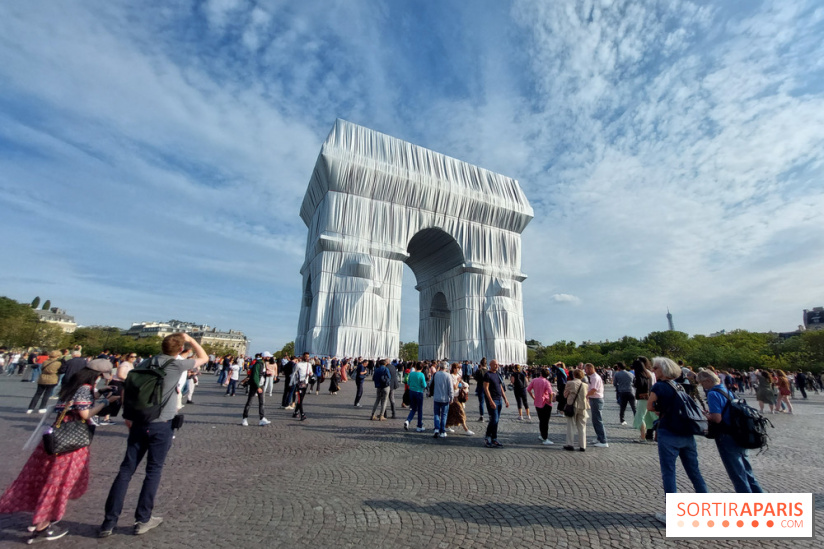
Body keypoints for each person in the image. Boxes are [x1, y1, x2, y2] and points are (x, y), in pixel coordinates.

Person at [99, 333, 208, 537]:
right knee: (153, 471)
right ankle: (143, 519)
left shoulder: (146, 362)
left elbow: (129, 389)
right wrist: (192, 340)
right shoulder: (176, 365)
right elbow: (204, 358)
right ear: (179, 349)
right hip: (161, 424)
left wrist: (128, 415)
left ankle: (108, 522)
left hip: (138, 421)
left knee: (125, 471)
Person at [0, 360, 119, 543]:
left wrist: (98, 393)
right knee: (58, 481)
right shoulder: (85, 389)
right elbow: (85, 414)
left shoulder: (75, 384)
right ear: (97, 376)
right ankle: (42, 526)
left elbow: (75, 402)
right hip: (70, 441)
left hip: (54, 436)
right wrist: (104, 401)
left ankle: (38, 518)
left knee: (45, 477)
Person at [648, 357, 707, 523]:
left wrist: (661, 411)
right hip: (687, 432)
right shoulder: (680, 385)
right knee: (694, 472)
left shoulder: (659, 386)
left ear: (664, 370)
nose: (653, 370)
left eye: (656, 368)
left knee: (669, 473)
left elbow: (650, 406)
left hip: (669, 431)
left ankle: (672, 514)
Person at [697, 370, 764, 493]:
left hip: (726, 435)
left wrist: (706, 415)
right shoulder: (727, 390)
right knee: (747, 472)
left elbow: (717, 418)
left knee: (737, 474)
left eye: (702, 383)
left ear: (708, 381)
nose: (702, 386)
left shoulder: (713, 394)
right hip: (739, 433)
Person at [26, 350, 63, 414]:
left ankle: (30, 408)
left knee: (37, 394)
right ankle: (42, 408)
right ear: (57, 356)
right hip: (52, 379)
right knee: (46, 394)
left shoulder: (45, 362)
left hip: (42, 378)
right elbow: (60, 371)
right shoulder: (58, 363)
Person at [482, 360, 509, 448]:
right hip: (493, 400)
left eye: (497, 364)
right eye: (495, 364)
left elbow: (501, 387)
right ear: (490, 365)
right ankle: (487, 437)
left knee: (496, 421)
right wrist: (490, 401)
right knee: (494, 419)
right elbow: (486, 388)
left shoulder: (498, 374)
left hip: (499, 399)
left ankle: (494, 438)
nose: (496, 365)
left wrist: (505, 399)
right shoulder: (487, 375)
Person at [563, 369, 589, 451]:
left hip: (572, 405)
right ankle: (583, 445)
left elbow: (565, 395)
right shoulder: (585, 385)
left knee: (571, 425)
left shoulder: (570, 383)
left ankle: (570, 444)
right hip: (583, 406)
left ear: (574, 375)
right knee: (582, 426)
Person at [242, 354, 271, 426]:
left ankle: (262, 418)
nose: (269, 358)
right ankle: (244, 418)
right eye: (268, 356)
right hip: (255, 384)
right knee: (250, 401)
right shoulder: (258, 364)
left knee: (261, 402)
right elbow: (255, 376)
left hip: (260, 384)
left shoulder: (263, 364)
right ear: (264, 357)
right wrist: (258, 387)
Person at [632, 356, 656, 443]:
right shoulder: (649, 374)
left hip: (642, 398)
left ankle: (643, 437)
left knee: (640, 416)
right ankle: (648, 435)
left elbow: (640, 386)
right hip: (649, 396)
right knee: (649, 416)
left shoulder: (640, 375)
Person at [528, 368, 554, 445]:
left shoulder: (534, 380)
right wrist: (550, 400)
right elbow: (550, 393)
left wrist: (533, 397)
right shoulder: (546, 382)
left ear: (540, 373)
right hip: (545, 403)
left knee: (541, 420)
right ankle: (545, 438)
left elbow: (528, 389)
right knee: (545, 422)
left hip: (537, 403)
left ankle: (542, 435)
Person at [446, 363, 474, 435]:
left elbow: (461, 385)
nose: (457, 369)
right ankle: (466, 429)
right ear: (453, 368)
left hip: (458, 397)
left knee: (451, 413)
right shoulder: (451, 376)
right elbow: (454, 387)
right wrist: (458, 381)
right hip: (453, 397)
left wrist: (462, 383)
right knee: (461, 413)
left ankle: (446, 426)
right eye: (455, 368)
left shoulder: (458, 376)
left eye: (458, 368)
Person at [585, 363, 608, 448]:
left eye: (586, 369)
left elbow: (594, 390)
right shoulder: (594, 377)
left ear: (590, 369)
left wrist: (586, 396)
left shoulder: (594, 377)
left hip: (596, 399)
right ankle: (599, 437)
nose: (585, 371)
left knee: (598, 420)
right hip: (595, 399)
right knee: (595, 420)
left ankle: (603, 440)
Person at [431, 362, 455, 438]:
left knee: (436, 414)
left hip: (436, 397)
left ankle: (436, 429)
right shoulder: (448, 376)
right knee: (444, 415)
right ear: (446, 368)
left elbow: (431, 384)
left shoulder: (435, 374)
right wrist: (451, 397)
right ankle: (442, 431)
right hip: (445, 399)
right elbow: (451, 388)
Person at [403, 363, 427, 432]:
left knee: (413, 409)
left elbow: (408, 383)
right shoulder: (421, 375)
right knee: (420, 410)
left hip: (411, 392)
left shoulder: (411, 374)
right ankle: (419, 426)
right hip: (419, 392)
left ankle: (408, 420)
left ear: (415, 367)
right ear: (422, 368)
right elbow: (424, 385)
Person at [612, 362, 636, 426]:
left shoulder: (617, 374)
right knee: (634, 407)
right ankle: (636, 420)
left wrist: (618, 387)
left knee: (622, 407)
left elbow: (614, 383)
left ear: (619, 367)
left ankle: (622, 420)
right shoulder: (630, 374)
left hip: (622, 392)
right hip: (631, 391)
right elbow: (634, 382)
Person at [290, 352, 311, 421]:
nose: (306, 358)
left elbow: (311, 372)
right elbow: (293, 374)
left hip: (306, 383)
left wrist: (310, 374)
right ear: (302, 357)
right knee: (300, 399)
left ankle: (295, 412)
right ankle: (302, 414)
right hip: (299, 383)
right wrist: (291, 383)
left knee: (301, 399)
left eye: (307, 356)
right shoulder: (298, 365)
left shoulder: (309, 365)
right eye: (305, 356)